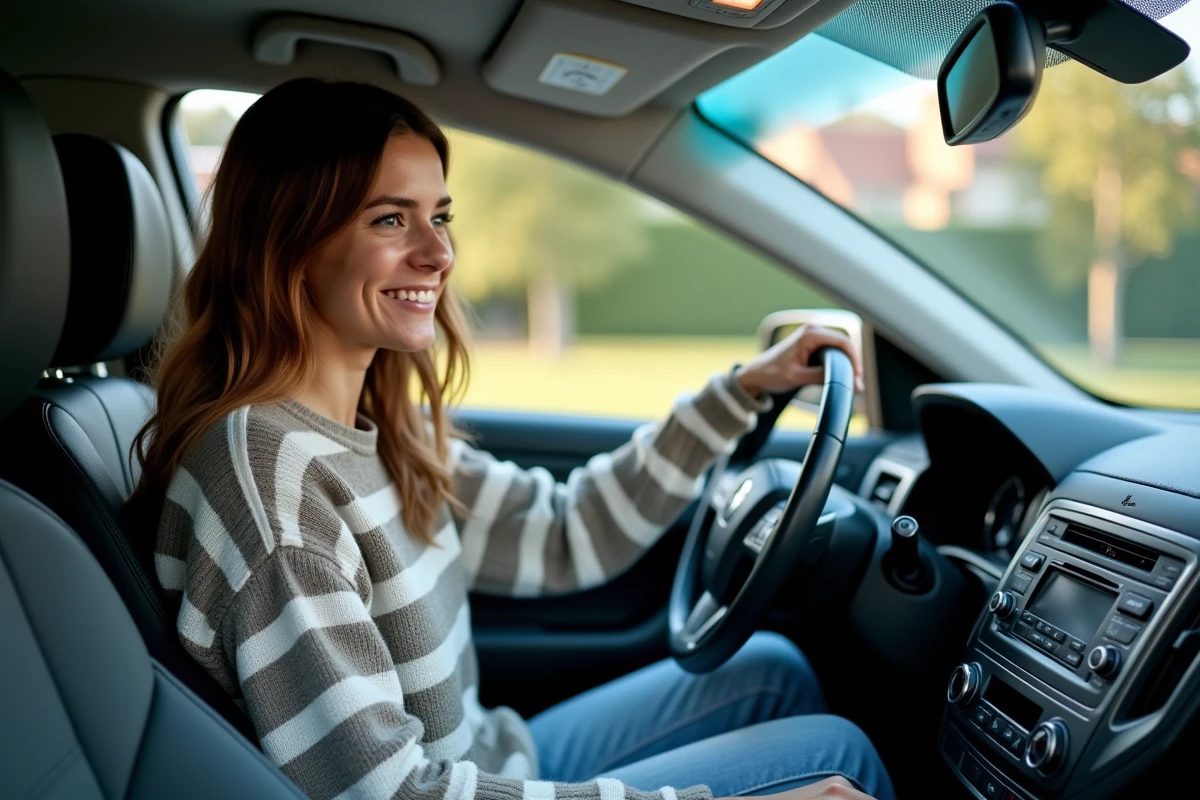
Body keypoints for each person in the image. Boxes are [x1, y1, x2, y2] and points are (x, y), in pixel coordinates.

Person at [128, 77, 894, 800]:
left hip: (491, 760)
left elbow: (564, 533)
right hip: (447, 786)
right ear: (288, 243)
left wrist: (742, 393)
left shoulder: (371, 426)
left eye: (440, 216)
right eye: (390, 219)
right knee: (838, 755)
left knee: (772, 670)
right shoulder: (272, 486)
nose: (438, 254)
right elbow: (388, 793)